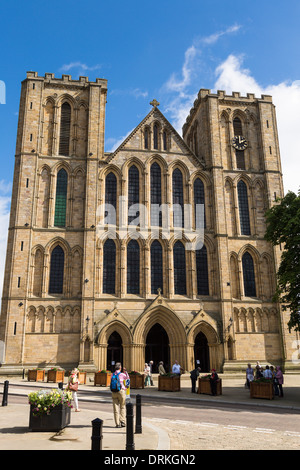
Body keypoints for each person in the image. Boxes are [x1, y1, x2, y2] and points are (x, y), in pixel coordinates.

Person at [110, 362, 127, 428]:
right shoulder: (122, 374)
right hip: (121, 391)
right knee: (122, 407)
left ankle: (117, 423)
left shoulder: (112, 374)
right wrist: (125, 372)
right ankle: (122, 421)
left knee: (115, 408)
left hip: (114, 392)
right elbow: (127, 379)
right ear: (120, 368)